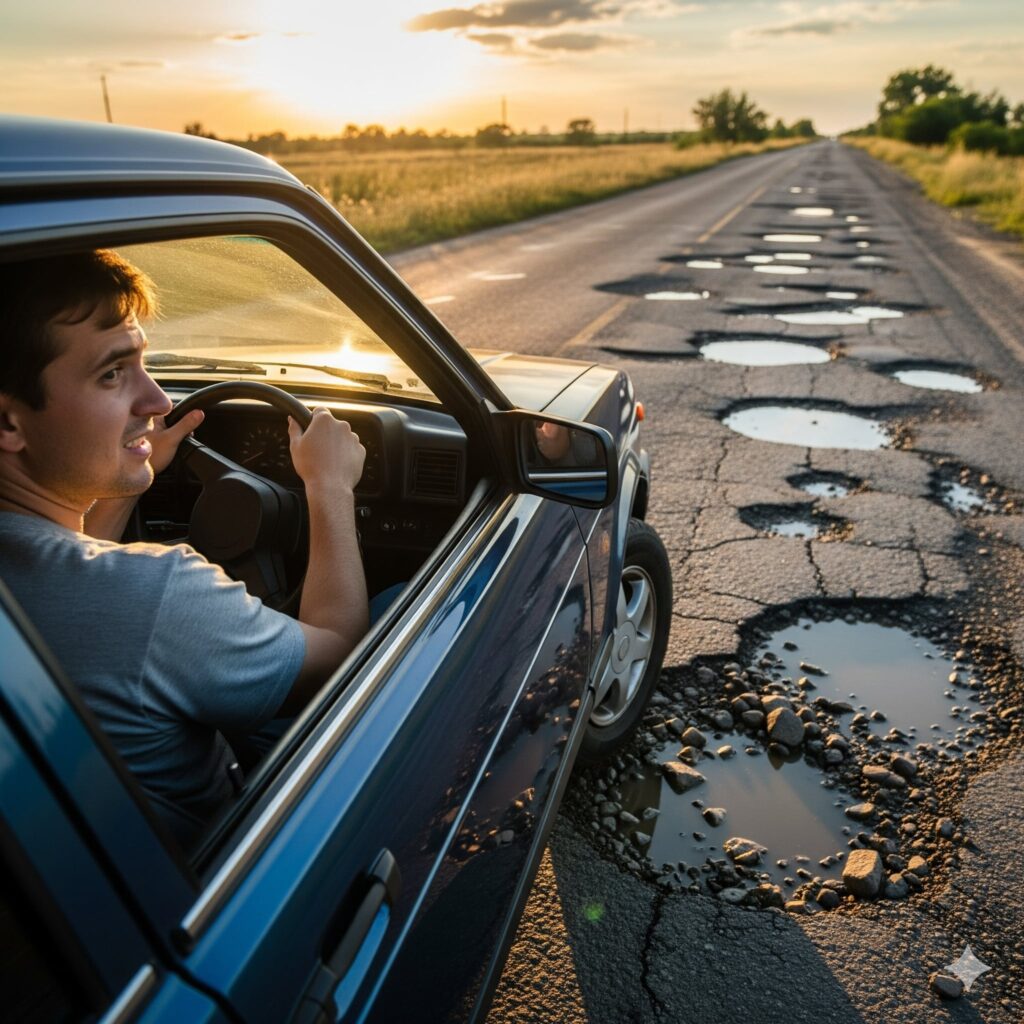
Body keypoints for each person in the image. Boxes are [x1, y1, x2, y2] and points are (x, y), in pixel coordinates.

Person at [0, 249, 368, 848]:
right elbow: (340, 656)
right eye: (112, 374)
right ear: (9, 425)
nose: (158, 402)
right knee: (407, 604)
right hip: (213, 875)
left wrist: (120, 480)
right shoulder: (153, 593)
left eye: (144, 362)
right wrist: (329, 486)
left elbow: (65, 575)